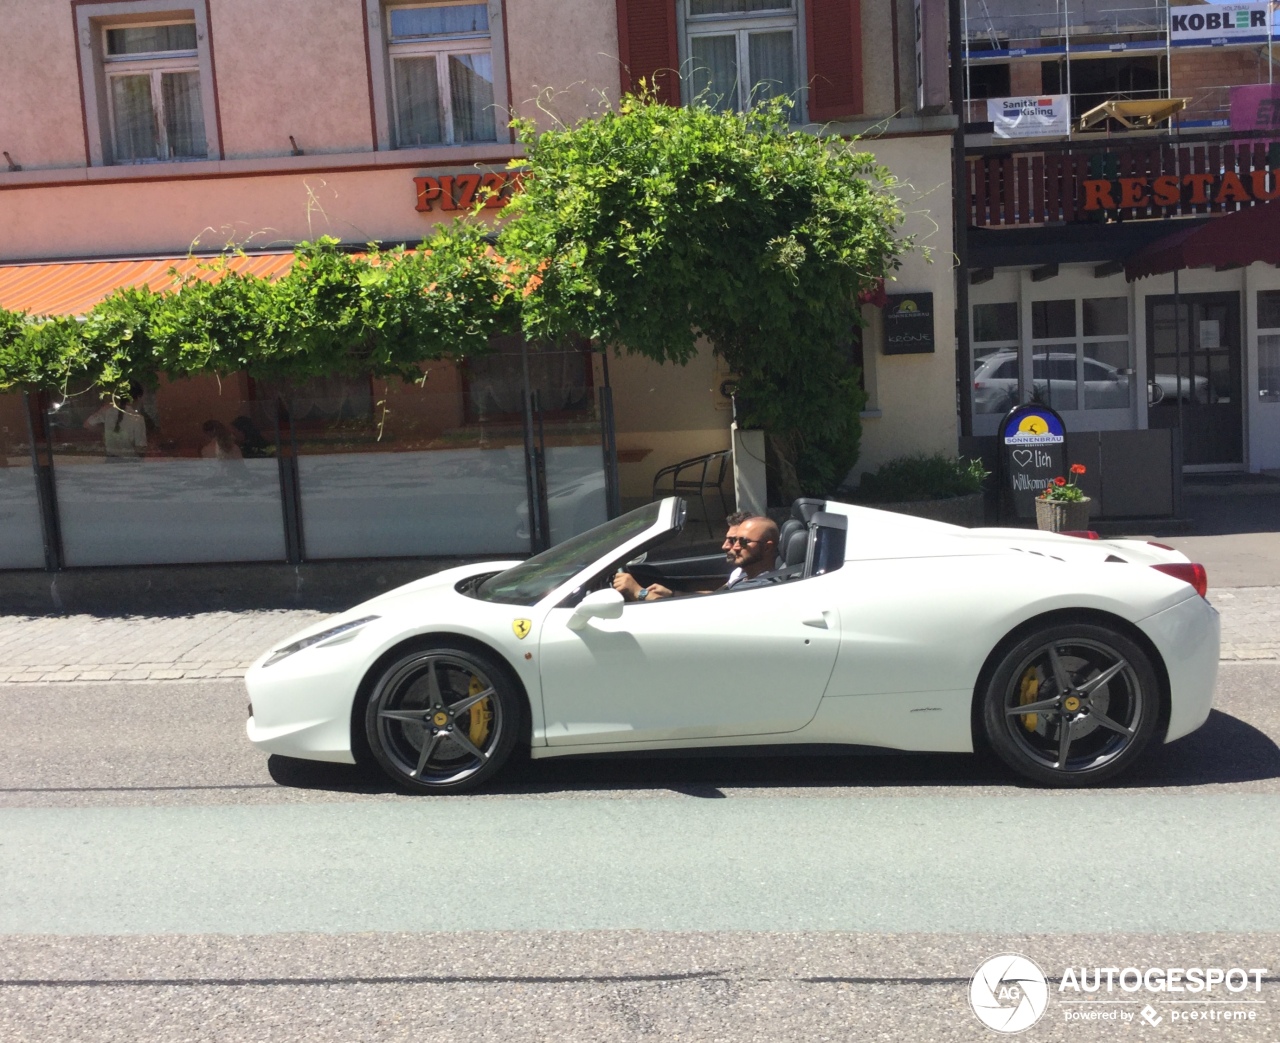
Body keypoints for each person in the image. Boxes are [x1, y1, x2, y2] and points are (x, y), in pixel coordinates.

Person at [612, 512, 780, 602]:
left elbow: (705, 610)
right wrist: (673, 594)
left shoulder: (756, 589)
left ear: (767, 548)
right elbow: (715, 597)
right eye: (734, 540)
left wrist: (639, 593)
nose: (733, 546)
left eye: (743, 542)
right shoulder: (745, 574)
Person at [83, 383, 149, 459]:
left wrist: (107, 432)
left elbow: (87, 424)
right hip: (130, 462)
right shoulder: (137, 419)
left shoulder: (107, 410)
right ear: (138, 398)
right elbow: (140, 448)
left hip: (110, 460)